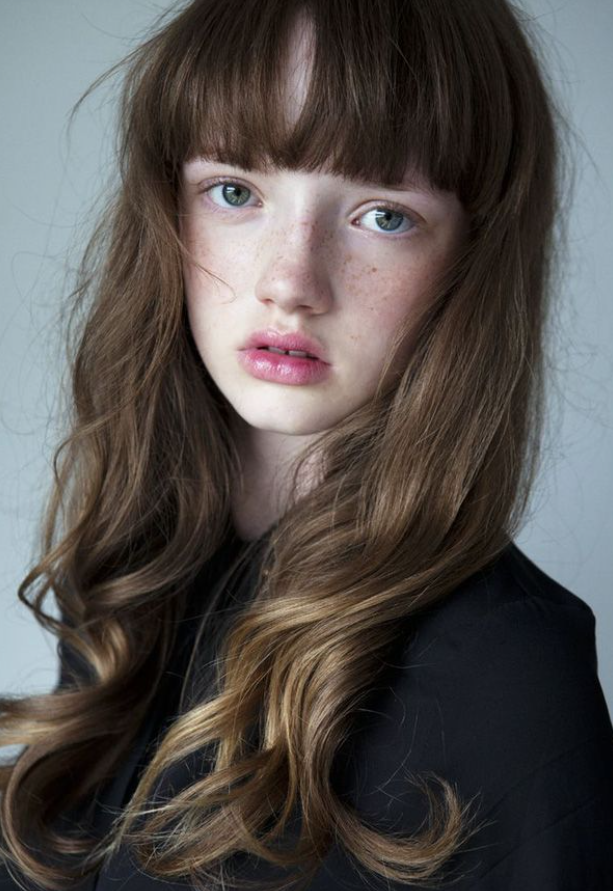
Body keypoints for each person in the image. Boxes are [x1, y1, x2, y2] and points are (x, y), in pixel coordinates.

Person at [1, 0, 613, 889]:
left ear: (470, 260)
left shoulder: (507, 677)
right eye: (235, 193)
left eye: (382, 215)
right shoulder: (136, 581)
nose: (289, 282)